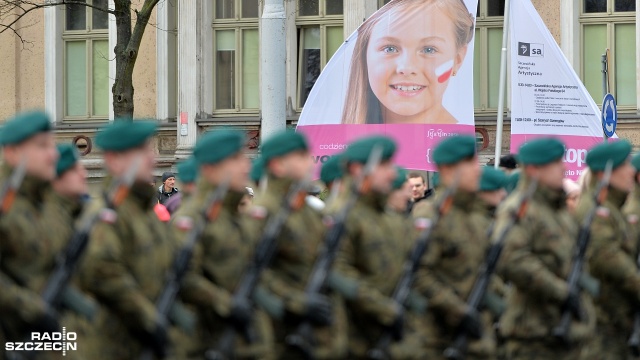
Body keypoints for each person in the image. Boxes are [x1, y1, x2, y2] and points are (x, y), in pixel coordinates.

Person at [79, 120, 192, 359]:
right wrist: (152, 319)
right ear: (115, 159)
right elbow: (105, 275)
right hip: (118, 346)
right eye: (141, 151)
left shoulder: (143, 211)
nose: (151, 157)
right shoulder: (108, 213)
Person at [248, 131, 348, 359]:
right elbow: (252, 273)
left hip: (322, 336)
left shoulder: (307, 211)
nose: (309, 161)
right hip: (283, 335)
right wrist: (296, 303)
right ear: (278, 165)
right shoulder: (266, 212)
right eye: (301, 156)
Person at [175, 129, 274, 359]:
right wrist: (226, 304)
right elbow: (184, 278)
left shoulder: (236, 216)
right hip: (213, 343)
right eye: (235, 159)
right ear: (209, 169)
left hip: (253, 343)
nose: (245, 166)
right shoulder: (193, 218)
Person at [496, 138, 595, 360]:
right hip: (533, 331)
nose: (564, 167)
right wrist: (561, 291)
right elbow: (512, 259)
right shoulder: (520, 208)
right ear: (533, 170)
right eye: (555, 163)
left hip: (565, 327)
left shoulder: (558, 210)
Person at [328, 135, 426, 359]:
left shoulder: (388, 218)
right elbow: (337, 271)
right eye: (383, 165)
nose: (392, 173)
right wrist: (385, 309)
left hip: (399, 339)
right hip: (357, 342)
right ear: (356, 169)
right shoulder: (342, 214)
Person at [412, 135, 497, 359]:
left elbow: (484, 272)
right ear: (448, 170)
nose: (477, 170)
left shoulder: (474, 217)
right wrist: (459, 311)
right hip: (441, 341)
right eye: (469, 163)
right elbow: (418, 274)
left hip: (478, 340)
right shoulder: (431, 214)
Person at [341, 0, 474, 125]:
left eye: (429, 49)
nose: (406, 67)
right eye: (390, 48)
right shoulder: (338, 143)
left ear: (458, 59)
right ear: (365, 55)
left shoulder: (457, 146)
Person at [0, 111, 64, 356]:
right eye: (42, 146)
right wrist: (32, 308)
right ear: (12, 152)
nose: (53, 154)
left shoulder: (50, 205)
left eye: (52, 145)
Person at [579, 140, 638, 359]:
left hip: (616, 319)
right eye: (626, 165)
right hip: (601, 322)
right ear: (607, 173)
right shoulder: (595, 210)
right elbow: (611, 259)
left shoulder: (612, 208)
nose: (632, 171)